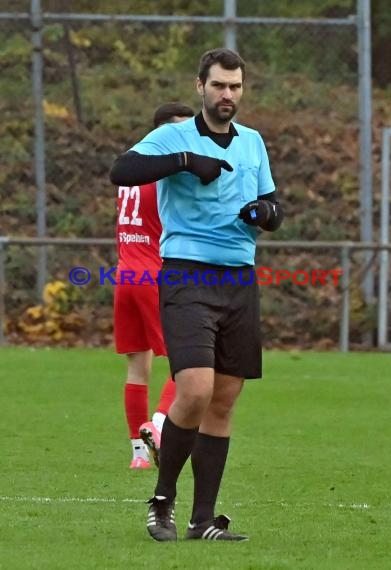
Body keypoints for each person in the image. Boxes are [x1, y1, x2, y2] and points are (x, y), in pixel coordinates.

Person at [110, 48, 284, 541]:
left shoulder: (252, 143)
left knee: (224, 402)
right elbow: (121, 170)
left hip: (239, 279)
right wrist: (186, 161)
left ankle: (202, 520)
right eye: (218, 85)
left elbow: (273, 203)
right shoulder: (174, 135)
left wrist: (265, 215)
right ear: (200, 86)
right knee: (196, 389)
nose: (227, 94)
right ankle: (161, 503)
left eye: (235, 86)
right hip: (187, 274)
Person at [114, 102, 195, 469]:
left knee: (137, 367)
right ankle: (159, 424)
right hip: (154, 275)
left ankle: (138, 455)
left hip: (126, 274)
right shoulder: (163, 171)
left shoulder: (133, 167)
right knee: (186, 361)